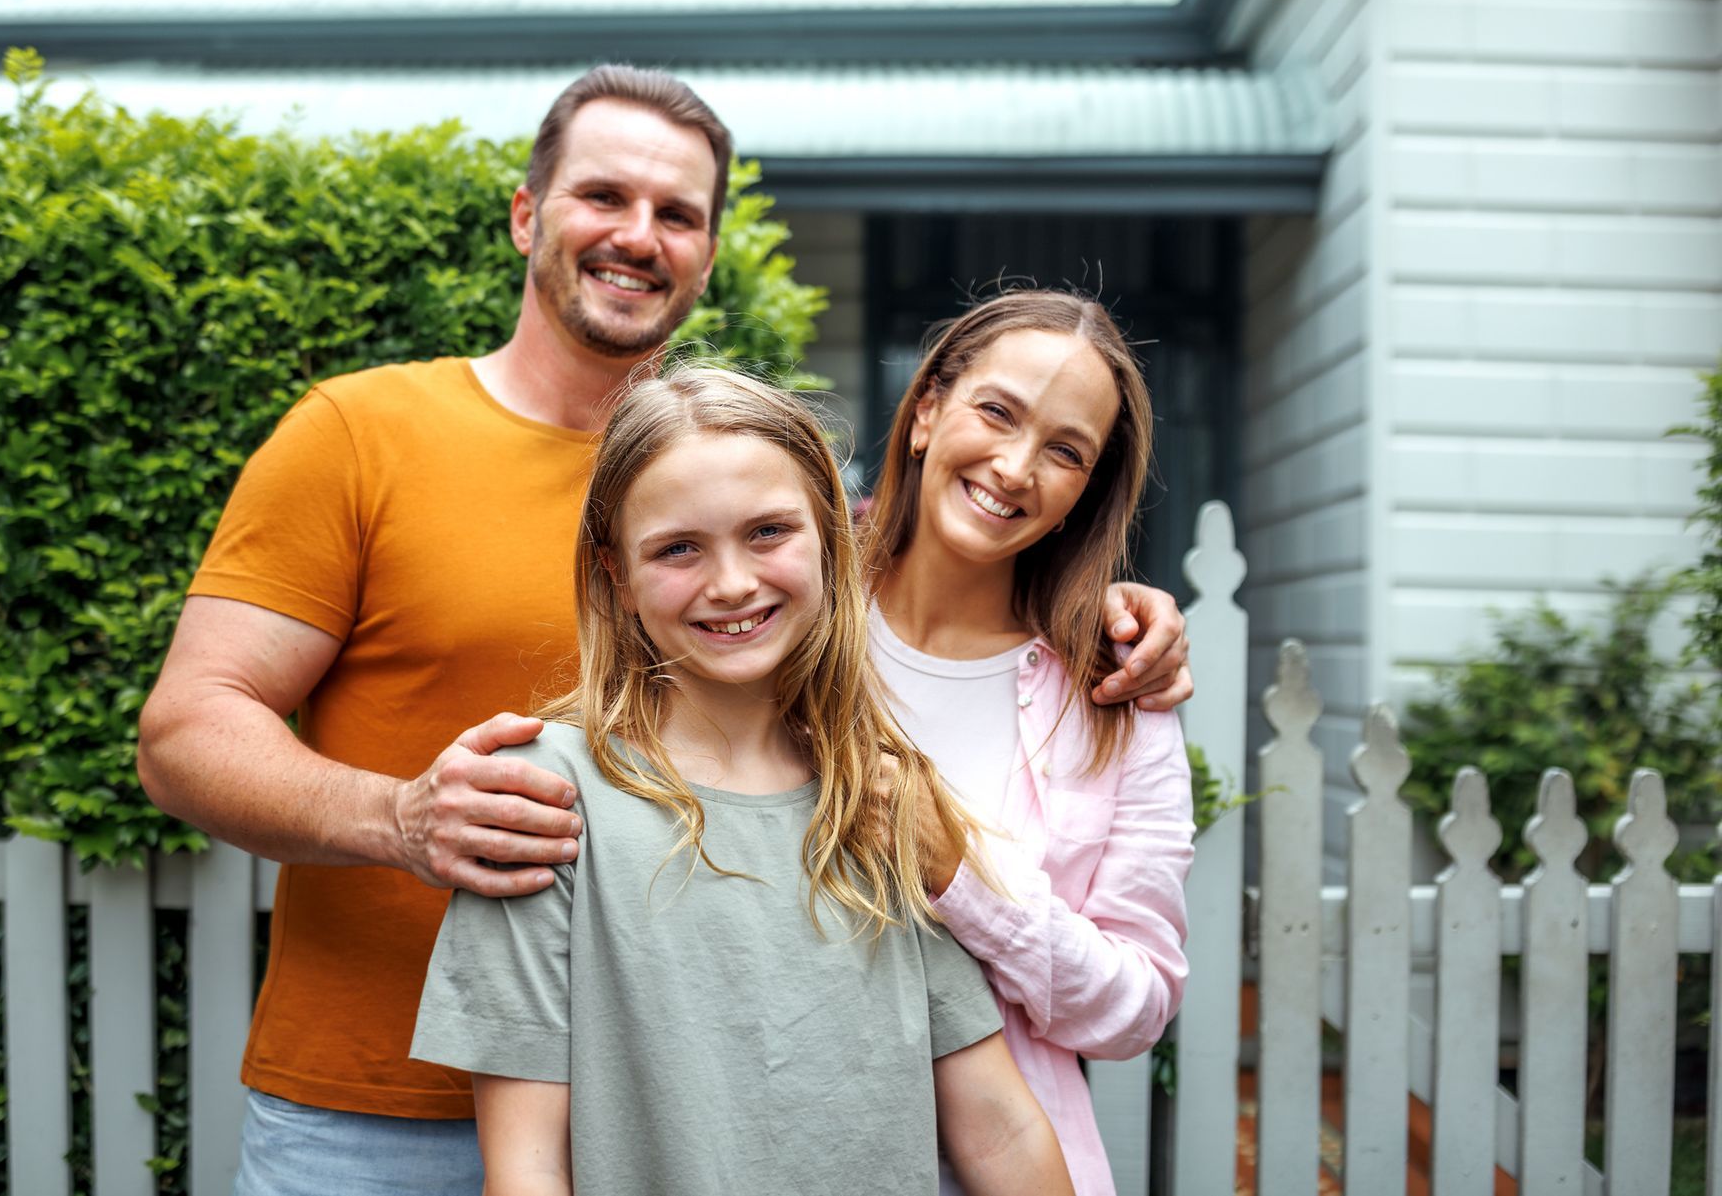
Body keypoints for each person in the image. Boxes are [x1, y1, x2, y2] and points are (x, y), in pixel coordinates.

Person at [135, 64, 1191, 1193]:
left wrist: (1116, 608)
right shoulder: (361, 433)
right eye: (604, 197)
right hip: (371, 1110)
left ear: (707, 252)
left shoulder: (765, 496)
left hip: (684, 1115)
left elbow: (956, 553)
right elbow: (184, 734)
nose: (638, 236)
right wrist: (401, 817)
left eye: (678, 214)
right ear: (526, 214)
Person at [411, 366, 1075, 1195]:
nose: (731, 582)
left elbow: (1001, 1128)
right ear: (616, 575)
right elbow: (528, 1166)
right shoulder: (545, 799)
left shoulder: (875, 794)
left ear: (832, 540)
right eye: (679, 547)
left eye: (768, 531)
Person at [863, 289, 1196, 1195]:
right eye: (997, 412)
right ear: (928, 407)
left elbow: (1137, 1006)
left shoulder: (1118, 695)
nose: (1014, 467)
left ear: (1085, 490)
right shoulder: (793, 618)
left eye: (1065, 451)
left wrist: (961, 877)